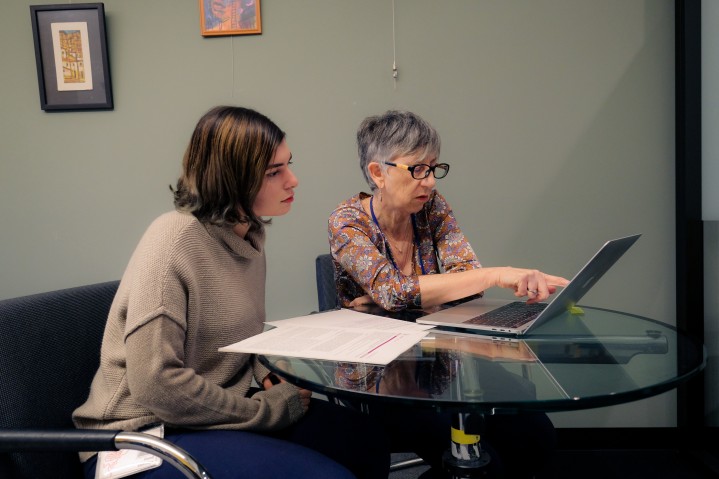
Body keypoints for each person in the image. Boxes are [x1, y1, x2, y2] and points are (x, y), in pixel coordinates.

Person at [72, 106, 390, 479]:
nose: (293, 180)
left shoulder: (249, 237)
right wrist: (267, 411)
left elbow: (236, 331)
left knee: (363, 441)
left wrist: (264, 370)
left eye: (288, 164)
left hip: (204, 416)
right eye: (275, 172)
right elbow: (156, 385)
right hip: (139, 436)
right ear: (230, 179)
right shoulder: (173, 241)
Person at [327, 109, 571, 478]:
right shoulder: (346, 222)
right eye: (418, 169)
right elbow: (401, 291)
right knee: (482, 460)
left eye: (434, 168)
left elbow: (462, 281)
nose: (430, 182)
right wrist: (494, 275)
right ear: (378, 173)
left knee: (535, 435)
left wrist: (398, 296)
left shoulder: (431, 209)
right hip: (380, 381)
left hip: (442, 363)